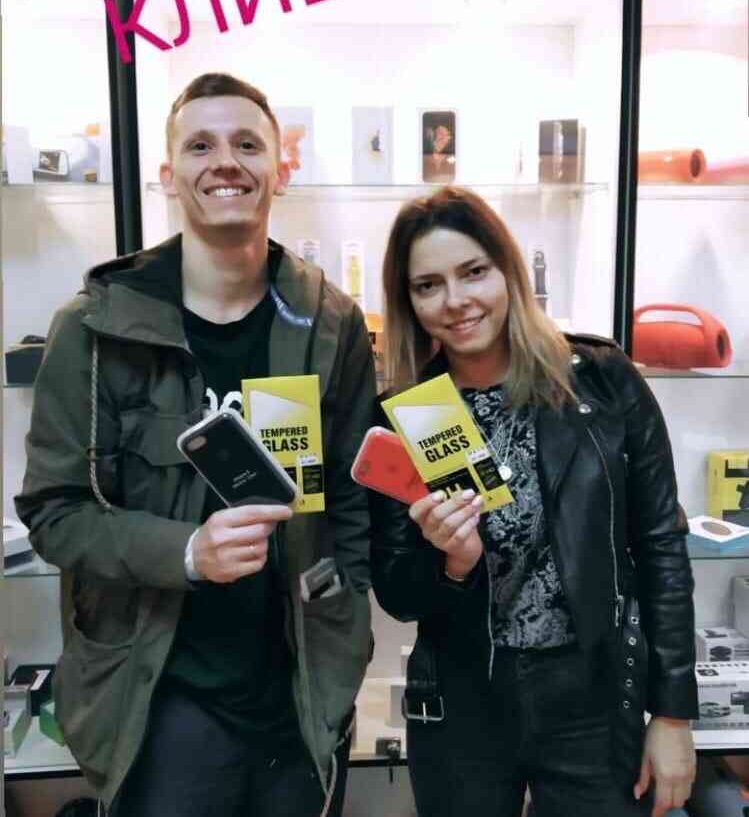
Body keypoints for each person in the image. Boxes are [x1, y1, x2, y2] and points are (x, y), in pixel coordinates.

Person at [16, 73, 376, 817]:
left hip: (301, 688)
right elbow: (55, 513)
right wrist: (186, 552)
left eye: (247, 145)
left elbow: (350, 499)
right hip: (159, 697)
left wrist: (347, 633)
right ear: (167, 174)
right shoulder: (94, 327)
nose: (226, 163)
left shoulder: (330, 321)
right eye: (201, 146)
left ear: (281, 168)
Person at [369, 186, 697, 817]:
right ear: (409, 301)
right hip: (462, 705)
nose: (455, 300)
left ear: (508, 272)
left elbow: (659, 545)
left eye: (473, 272)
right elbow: (396, 592)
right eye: (428, 285)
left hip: (592, 699)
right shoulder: (407, 415)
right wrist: (453, 563)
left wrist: (674, 712)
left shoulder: (601, 380)